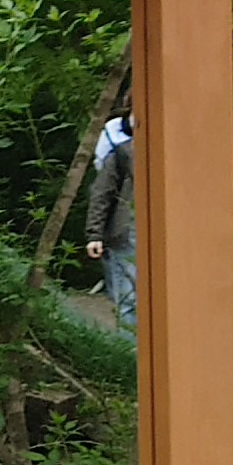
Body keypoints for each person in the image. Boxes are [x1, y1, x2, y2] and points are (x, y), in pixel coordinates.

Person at [84, 111, 135, 326]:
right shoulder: (122, 149)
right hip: (128, 232)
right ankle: (128, 354)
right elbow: (102, 191)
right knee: (128, 299)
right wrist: (94, 234)